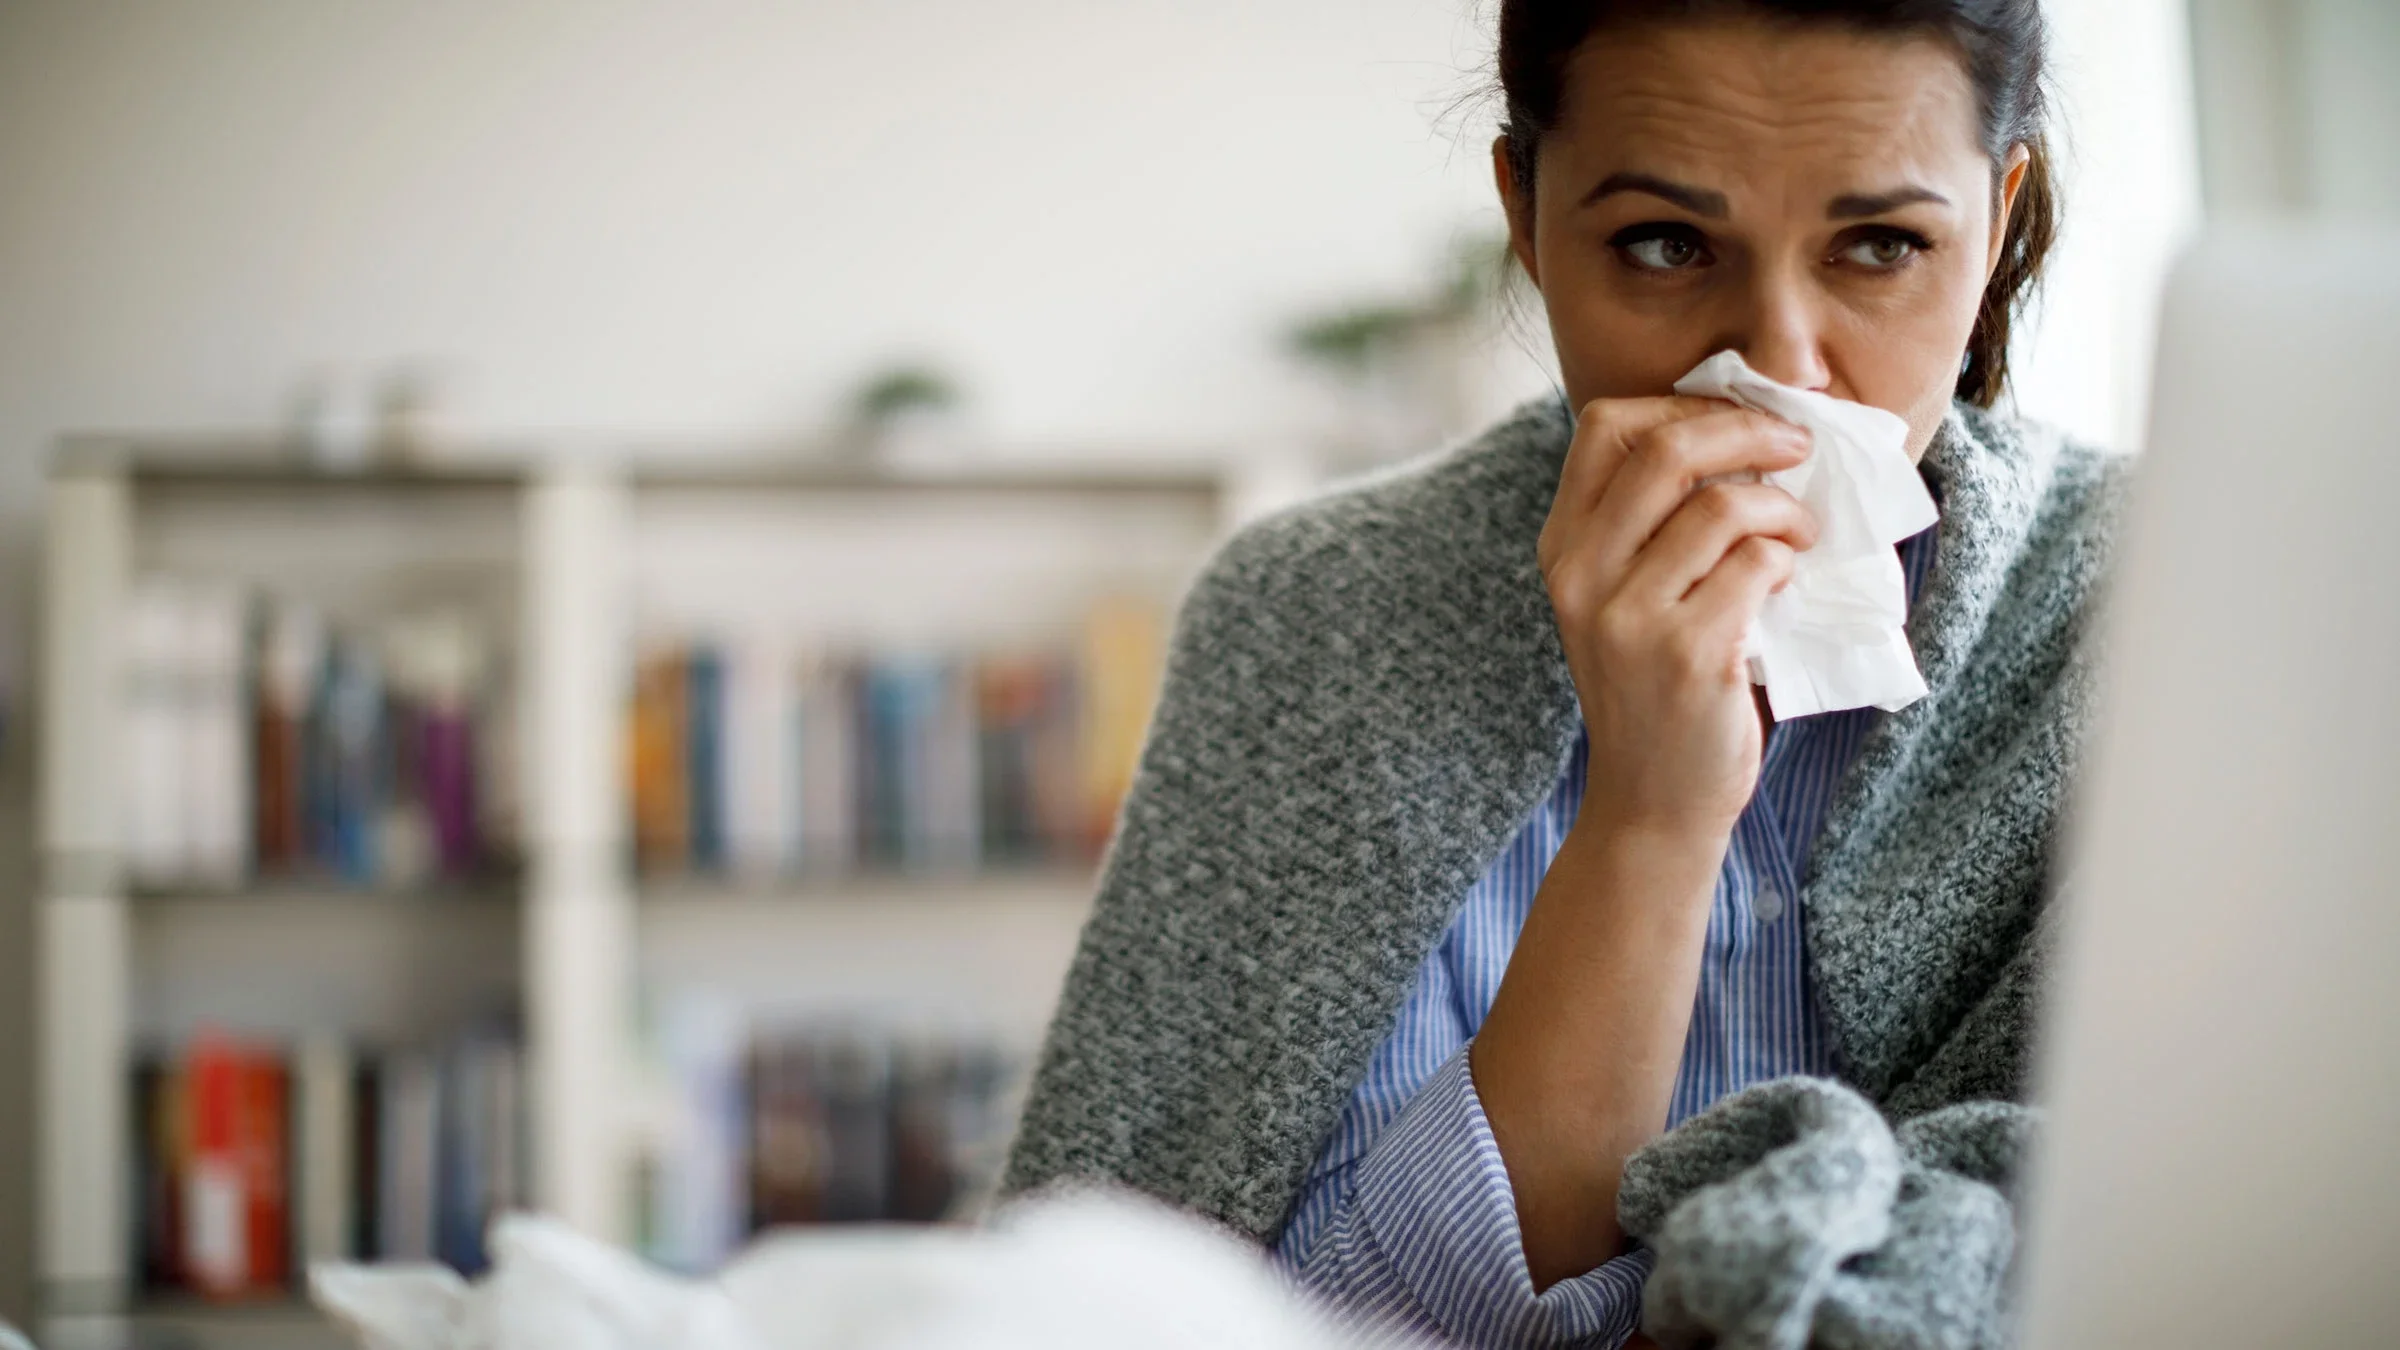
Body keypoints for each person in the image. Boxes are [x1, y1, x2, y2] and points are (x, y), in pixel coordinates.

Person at [1005, 1, 2119, 1346]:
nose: (1778, 366)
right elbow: (1230, 1309)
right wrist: (1651, 814)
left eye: (1880, 246)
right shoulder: (1320, 615)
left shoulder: (2155, 605)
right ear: (1526, 217)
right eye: (1664, 245)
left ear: (1995, 224)